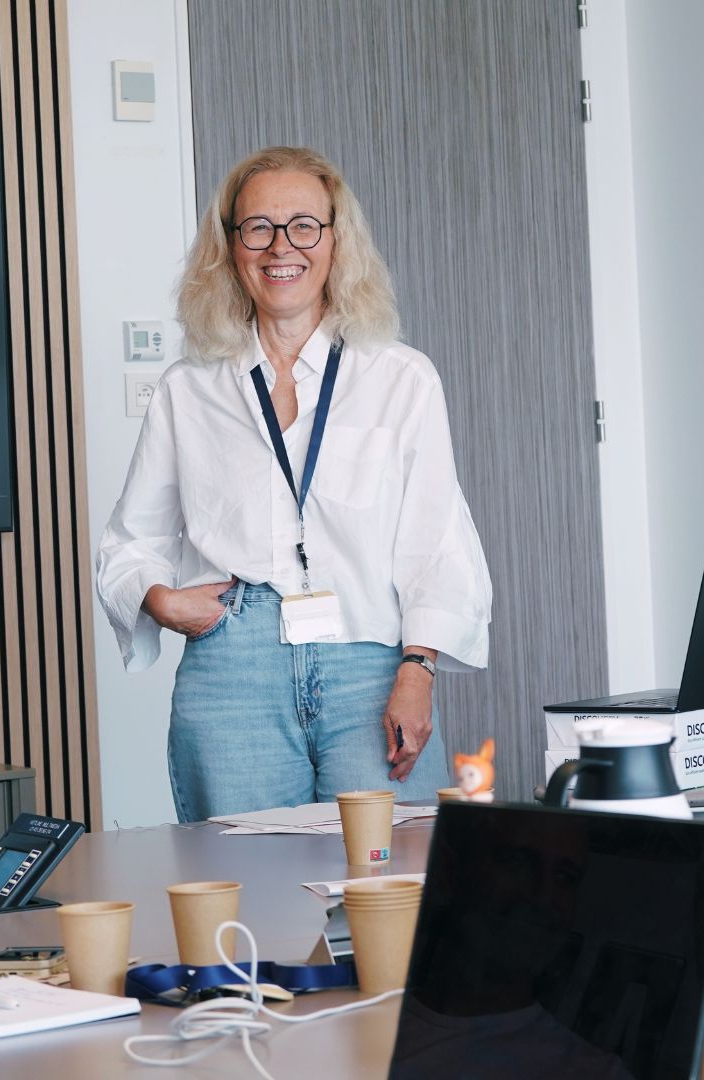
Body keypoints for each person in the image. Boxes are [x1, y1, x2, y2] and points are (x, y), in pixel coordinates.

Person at [94, 146, 491, 822]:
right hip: (233, 670)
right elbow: (131, 541)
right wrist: (158, 599)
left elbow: (436, 543)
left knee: (389, 888)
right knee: (251, 894)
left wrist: (417, 670)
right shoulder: (187, 390)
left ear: (338, 241)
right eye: (258, 228)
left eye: (304, 225)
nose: (282, 247)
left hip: (368, 662)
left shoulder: (400, 378)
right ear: (230, 247)